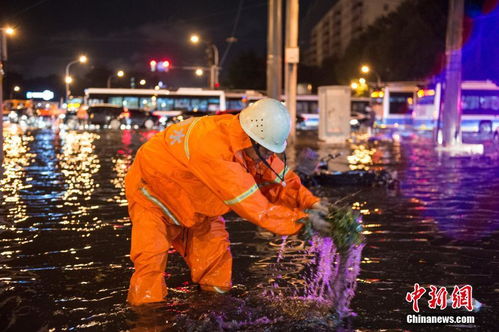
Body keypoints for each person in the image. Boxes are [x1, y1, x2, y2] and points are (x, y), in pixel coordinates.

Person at [124, 98, 331, 306]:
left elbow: (279, 181)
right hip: (153, 198)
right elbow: (257, 208)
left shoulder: (250, 143)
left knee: (217, 275)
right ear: (252, 140)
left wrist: (310, 203)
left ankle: (211, 310)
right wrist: (304, 221)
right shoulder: (214, 148)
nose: (269, 156)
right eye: (267, 150)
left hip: (200, 206)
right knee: (149, 269)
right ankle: (147, 320)